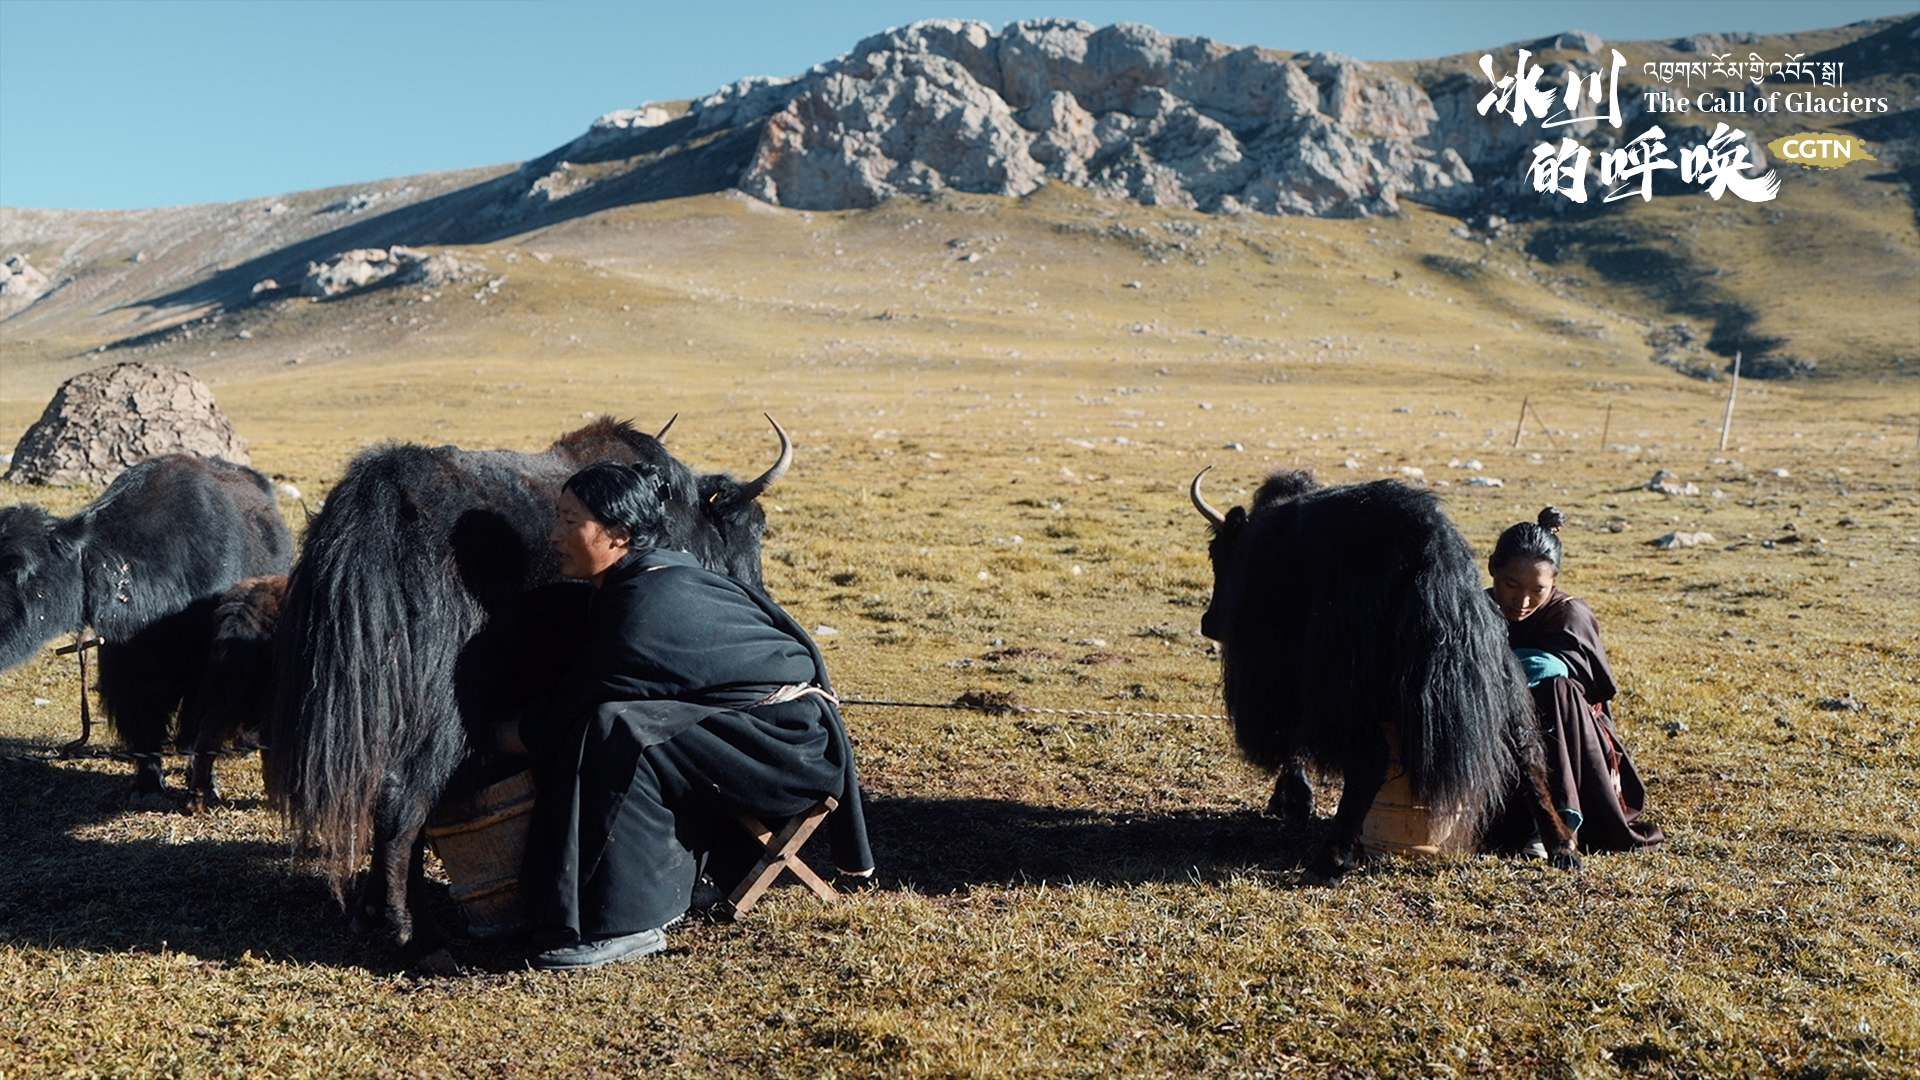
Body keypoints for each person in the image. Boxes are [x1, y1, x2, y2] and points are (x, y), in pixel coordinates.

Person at [496, 460, 874, 970]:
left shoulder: (644, 606)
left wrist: (486, 739)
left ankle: (626, 924)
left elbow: (561, 720)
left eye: (571, 521)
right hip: (767, 733)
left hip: (787, 752)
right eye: (557, 517)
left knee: (617, 730)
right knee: (620, 721)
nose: (554, 535)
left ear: (619, 534)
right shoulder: (657, 574)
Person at [1488, 506, 1664, 853]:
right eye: (1511, 585)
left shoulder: (1569, 613)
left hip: (1570, 739)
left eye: (1537, 589)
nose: (1522, 601)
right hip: (1499, 733)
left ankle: (1559, 821)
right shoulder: (1479, 609)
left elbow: (1576, 672)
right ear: (1492, 566)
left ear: (1553, 582)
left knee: (1557, 687)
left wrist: (1484, 668)